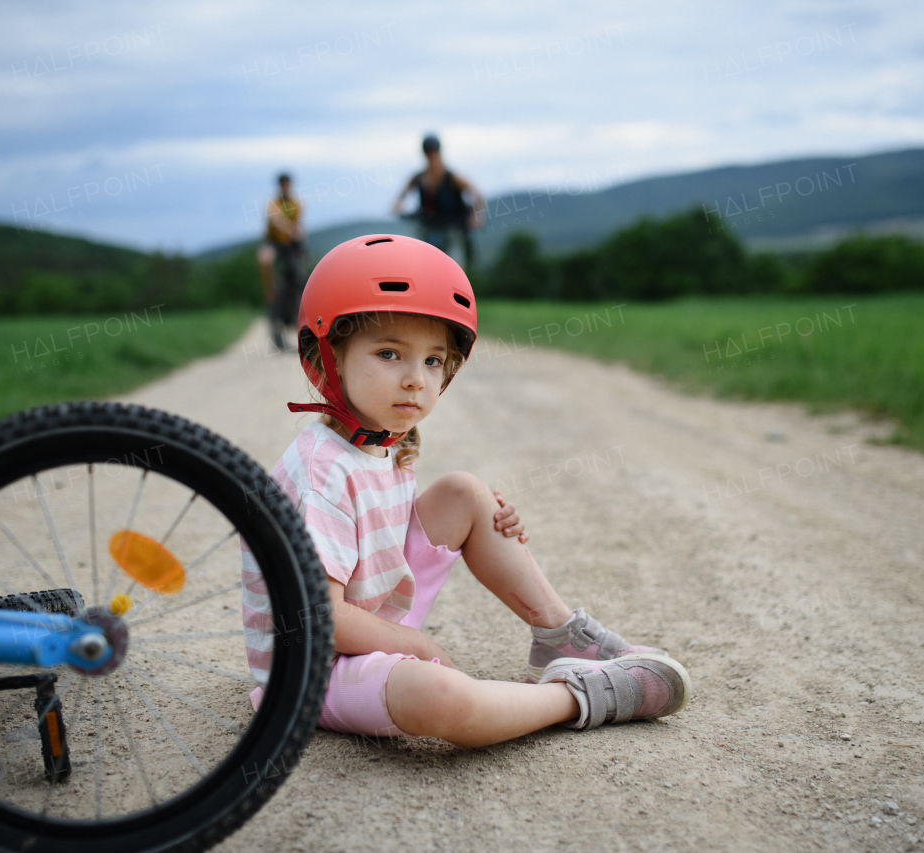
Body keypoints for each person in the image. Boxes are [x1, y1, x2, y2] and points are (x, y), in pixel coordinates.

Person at [243, 235, 691, 746]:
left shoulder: (381, 442)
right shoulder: (319, 471)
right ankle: (579, 695)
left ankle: (558, 634)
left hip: (368, 619)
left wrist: (487, 527)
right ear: (329, 358)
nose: (416, 380)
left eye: (433, 361)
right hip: (315, 663)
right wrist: (417, 645)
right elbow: (323, 617)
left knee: (463, 492)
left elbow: (378, 536)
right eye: (389, 353)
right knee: (442, 698)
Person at [392, 135, 482, 273]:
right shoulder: (418, 178)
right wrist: (398, 205)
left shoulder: (452, 177)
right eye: (428, 152)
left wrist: (476, 215)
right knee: (423, 262)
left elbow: (477, 195)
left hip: (452, 226)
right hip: (428, 226)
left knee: (455, 265)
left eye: (433, 152)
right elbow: (400, 197)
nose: (431, 156)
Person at [262, 172, 307, 351]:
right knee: (265, 261)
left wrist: (299, 237)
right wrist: (291, 228)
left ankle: (299, 316)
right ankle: (270, 292)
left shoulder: (296, 204)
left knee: (298, 279)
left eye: (287, 185)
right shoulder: (274, 204)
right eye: (283, 185)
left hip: (291, 246)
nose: (285, 188)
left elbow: (300, 226)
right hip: (274, 243)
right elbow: (275, 219)